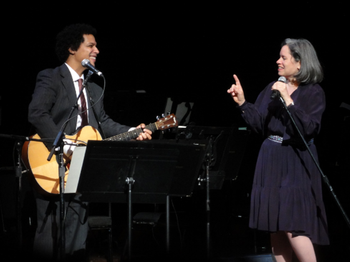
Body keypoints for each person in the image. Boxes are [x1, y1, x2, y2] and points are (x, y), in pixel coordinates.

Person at [27, 23, 152, 261]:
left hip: (83, 164)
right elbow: (37, 113)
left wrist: (132, 130)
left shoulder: (93, 86)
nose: (97, 50)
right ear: (72, 48)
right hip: (50, 161)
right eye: (91, 45)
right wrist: (64, 144)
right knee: (49, 227)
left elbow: (102, 122)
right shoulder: (51, 77)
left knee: (78, 220)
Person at [227, 38, 329, 262]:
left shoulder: (313, 92)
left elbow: (309, 129)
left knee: (295, 225)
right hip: (271, 158)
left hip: (296, 160)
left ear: (299, 63)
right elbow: (260, 124)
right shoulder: (272, 88)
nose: (278, 61)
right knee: (277, 226)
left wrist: (287, 98)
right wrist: (243, 103)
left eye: (284, 57)